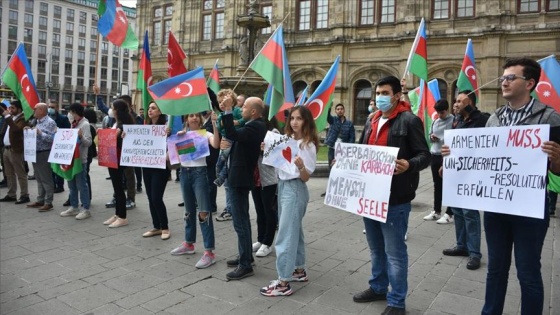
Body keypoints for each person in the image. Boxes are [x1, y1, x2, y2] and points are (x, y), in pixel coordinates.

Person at [480, 57, 560, 314]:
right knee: (495, 269)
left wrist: (557, 159)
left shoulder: (550, 117)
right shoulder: (494, 118)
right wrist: (456, 157)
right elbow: (482, 159)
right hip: (496, 206)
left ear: (529, 83)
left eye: (509, 78)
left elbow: (557, 169)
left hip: (530, 208)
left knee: (527, 272)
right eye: (502, 78)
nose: (503, 82)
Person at [352, 76, 430, 315]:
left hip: (395, 197)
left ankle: (397, 301)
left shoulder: (409, 120)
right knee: (375, 248)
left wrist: (409, 164)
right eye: (377, 93)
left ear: (397, 95)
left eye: (384, 93)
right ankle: (378, 287)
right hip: (369, 195)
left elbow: (424, 155)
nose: (379, 98)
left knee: (395, 253)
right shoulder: (371, 120)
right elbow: (363, 151)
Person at [260, 106, 318, 296]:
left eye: (299, 119)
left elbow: (306, 177)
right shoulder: (287, 141)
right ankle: (299, 270)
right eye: (292, 118)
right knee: (295, 231)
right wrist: (267, 150)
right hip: (283, 186)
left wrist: (301, 167)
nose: (294, 122)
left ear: (306, 121)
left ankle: (283, 282)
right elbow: (278, 165)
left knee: (285, 234)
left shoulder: (307, 145)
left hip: (295, 189)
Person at [220, 96, 267, 280]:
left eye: (245, 107)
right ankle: (245, 255)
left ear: (254, 111)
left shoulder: (255, 126)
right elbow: (232, 131)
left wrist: (229, 110)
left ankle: (246, 264)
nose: (242, 109)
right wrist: (225, 112)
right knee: (243, 220)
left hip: (239, 178)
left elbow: (233, 134)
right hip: (239, 176)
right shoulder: (254, 125)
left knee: (240, 222)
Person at [441, 90, 488, 271]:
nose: (456, 104)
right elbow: (453, 145)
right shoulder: (458, 120)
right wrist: (445, 161)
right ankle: (462, 245)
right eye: (456, 101)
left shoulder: (483, 120)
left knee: (470, 213)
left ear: (470, 101)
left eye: (460, 101)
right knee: (458, 210)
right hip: (456, 171)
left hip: (473, 174)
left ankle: (475, 253)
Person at [170, 112, 220, 269]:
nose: (194, 118)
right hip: (184, 173)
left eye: (197, 116)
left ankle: (209, 252)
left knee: (204, 212)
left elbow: (216, 144)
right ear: (186, 119)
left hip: (200, 173)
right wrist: (171, 139)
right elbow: (169, 156)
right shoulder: (181, 135)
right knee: (188, 211)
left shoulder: (206, 134)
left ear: (200, 119)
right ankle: (189, 243)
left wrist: (215, 125)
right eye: (191, 116)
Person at [251, 107, 279, 258]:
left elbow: (278, 157)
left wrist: (264, 151)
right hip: (256, 177)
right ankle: (260, 239)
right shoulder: (255, 129)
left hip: (269, 178)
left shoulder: (274, 133)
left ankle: (268, 243)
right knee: (259, 210)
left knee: (269, 211)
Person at [102, 99, 134, 228]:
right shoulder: (116, 123)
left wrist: (118, 136)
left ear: (117, 110)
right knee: (116, 187)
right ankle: (117, 213)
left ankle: (122, 216)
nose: (111, 110)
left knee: (119, 187)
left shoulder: (124, 125)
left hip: (118, 158)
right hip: (112, 158)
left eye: (112, 108)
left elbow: (126, 141)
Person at [142, 102, 172, 240]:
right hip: (147, 166)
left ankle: (165, 227)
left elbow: (174, 143)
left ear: (160, 111)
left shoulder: (166, 127)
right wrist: (126, 136)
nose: (150, 110)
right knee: (150, 197)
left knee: (156, 197)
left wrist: (169, 134)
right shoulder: (145, 127)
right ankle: (156, 226)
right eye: (149, 108)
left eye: (153, 108)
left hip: (160, 167)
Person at [422, 100, 455, 224]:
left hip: (446, 155)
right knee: (437, 185)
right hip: (435, 154)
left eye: (442, 112)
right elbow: (430, 135)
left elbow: (454, 139)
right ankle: (436, 211)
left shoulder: (454, 121)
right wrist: (432, 137)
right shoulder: (435, 121)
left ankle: (450, 213)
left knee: (448, 185)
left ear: (447, 110)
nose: (440, 115)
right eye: (438, 112)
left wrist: (441, 139)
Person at [59, 103, 92, 220]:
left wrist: (81, 136)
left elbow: (88, 143)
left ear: (76, 112)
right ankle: (74, 206)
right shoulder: (73, 124)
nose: (70, 114)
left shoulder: (85, 124)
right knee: (71, 184)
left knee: (82, 185)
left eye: (71, 112)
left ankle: (85, 208)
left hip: (80, 160)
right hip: (70, 159)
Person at [24, 103, 57, 212]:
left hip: (44, 152)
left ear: (42, 110)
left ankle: (48, 202)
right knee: (38, 178)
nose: (34, 111)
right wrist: (29, 130)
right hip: (35, 152)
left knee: (46, 178)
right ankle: (40, 199)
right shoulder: (36, 121)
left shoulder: (50, 122)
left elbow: (53, 139)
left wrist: (40, 133)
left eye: (35, 109)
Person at [321, 103, 355, 197]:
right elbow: (328, 117)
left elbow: (352, 137)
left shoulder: (349, 123)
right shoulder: (333, 120)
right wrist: (328, 107)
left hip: (343, 150)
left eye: (341, 109)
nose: (340, 110)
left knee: (343, 169)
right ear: (336, 111)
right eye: (338, 109)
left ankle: (342, 189)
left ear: (344, 111)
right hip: (332, 148)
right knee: (332, 169)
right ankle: (330, 190)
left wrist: (349, 147)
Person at [213, 89, 245, 187]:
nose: (221, 104)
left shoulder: (237, 111)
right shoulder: (220, 115)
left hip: (234, 140)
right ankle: (220, 176)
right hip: (225, 139)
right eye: (219, 102)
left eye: (224, 101)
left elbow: (245, 119)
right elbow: (218, 127)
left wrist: (238, 122)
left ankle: (221, 177)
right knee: (221, 161)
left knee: (225, 160)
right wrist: (221, 123)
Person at [0, 100, 30, 204]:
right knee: (9, 174)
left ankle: (24, 195)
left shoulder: (23, 118)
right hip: (7, 149)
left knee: (20, 173)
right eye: (10, 108)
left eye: (13, 108)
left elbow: (17, 130)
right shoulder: (12, 118)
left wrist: (7, 117)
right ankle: (11, 194)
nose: (10, 110)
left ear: (19, 109)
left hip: (16, 150)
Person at [48, 101, 70, 193]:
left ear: (57, 108)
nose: (50, 109)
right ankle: (52, 185)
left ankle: (60, 186)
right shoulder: (47, 118)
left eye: (52, 107)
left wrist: (59, 131)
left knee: (59, 168)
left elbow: (68, 131)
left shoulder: (63, 118)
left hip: (59, 146)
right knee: (51, 168)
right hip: (49, 146)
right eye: (49, 107)